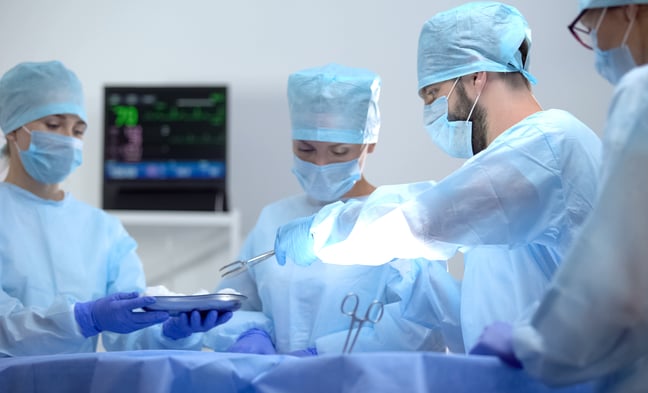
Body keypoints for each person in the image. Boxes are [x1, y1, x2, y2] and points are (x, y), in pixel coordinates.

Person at [273, 1, 603, 350]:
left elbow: (424, 221)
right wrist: (422, 284)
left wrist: (324, 231)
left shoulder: (549, 144)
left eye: (433, 94)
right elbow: (496, 306)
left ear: (477, 77)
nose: (429, 112)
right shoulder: (519, 158)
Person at [470, 1, 648, 392]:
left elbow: (621, 288)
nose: (594, 45)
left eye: (590, 26)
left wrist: (529, 344)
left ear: (629, 11)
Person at [204, 63, 460, 355]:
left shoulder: (400, 222)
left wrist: (326, 354)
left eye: (339, 152)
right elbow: (233, 302)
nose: (321, 164)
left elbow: (419, 325)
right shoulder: (273, 218)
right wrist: (249, 333)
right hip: (276, 382)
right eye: (306, 149)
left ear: (370, 142)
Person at [0, 60, 231, 357]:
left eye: (79, 130)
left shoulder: (104, 231)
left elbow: (129, 337)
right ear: (13, 129)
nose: (69, 140)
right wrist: (83, 319)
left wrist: (173, 331)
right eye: (54, 125)